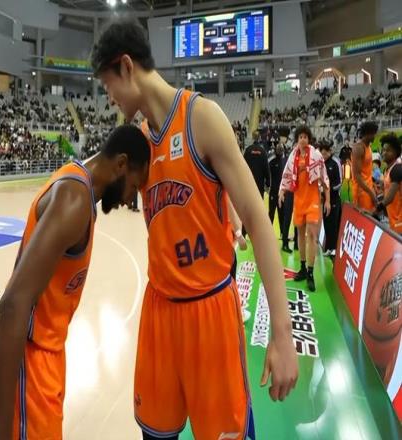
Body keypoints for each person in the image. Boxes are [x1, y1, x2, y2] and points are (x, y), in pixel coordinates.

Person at [92, 18, 298, 440]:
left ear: (127, 66)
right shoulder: (138, 142)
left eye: (108, 84)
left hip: (210, 311)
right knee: (155, 434)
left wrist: (282, 334)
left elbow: (258, 219)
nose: (109, 97)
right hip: (159, 311)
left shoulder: (202, 117)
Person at [0, 125, 150, 440]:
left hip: (44, 358)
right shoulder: (74, 199)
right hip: (26, 361)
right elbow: (13, 305)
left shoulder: (78, 188)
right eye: (134, 186)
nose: (131, 198)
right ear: (121, 164)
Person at [279, 126, 331, 292]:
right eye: (300, 137)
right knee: (300, 235)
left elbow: (324, 179)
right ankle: (302, 268)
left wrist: (327, 200)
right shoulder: (292, 157)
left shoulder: (316, 156)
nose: (303, 139)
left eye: (305, 137)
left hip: (313, 201)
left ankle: (310, 273)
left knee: (312, 235)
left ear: (309, 139)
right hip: (299, 201)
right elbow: (286, 177)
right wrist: (281, 191)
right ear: (297, 139)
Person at [318, 142, 343, 256]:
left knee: (333, 223)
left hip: (334, 199)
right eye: (322, 154)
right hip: (324, 198)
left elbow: (340, 182)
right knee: (326, 222)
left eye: (325, 154)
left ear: (330, 152)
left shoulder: (336, 162)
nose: (323, 156)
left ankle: (334, 248)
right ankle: (328, 247)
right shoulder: (322, 163)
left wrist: (329, 189)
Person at [269, 138, 292, 253]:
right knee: (271, 213)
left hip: (282, 192)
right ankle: (268, 233)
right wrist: (268, 187)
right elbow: (268, 175)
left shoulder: (286, 161)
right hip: (273, 191)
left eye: (281, 150)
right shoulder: (271, 161)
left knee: (282, 213)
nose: (279, 151)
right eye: (278, 149)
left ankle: (283, 233)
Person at [376, 133, 402, 234]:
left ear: (396, 152)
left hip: (400, 221)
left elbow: (389, 198)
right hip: (393, 219)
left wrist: (375, 210)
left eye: (388, 150)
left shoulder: (397, 169)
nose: (384, 153)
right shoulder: (387, 170)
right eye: (383, 150)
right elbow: (386, 191)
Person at [352, 121, 378, 212]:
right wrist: (371, 192)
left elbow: (367, 170)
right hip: (361, 190)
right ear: (368, 134)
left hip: (368, 186)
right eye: (373, 134)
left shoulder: (368, 146)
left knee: (372, 214)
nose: (374, 136)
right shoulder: (358, 148)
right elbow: (357, 175)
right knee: (364, 217)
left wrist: (373, 185)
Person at [244, 130, 271, 198]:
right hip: (259, 183)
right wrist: (268, 183)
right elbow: (266, 168)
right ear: (259, 138)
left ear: (252, 138)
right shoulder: (263, 151)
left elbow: (243, 166)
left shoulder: (248, 150)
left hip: (249, 182)